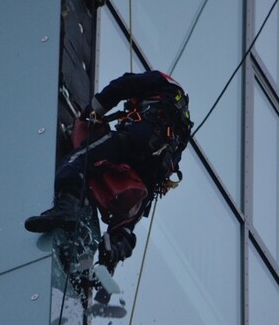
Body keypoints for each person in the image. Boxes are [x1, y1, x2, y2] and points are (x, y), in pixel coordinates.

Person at [25, 70, 192, 272]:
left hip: (137, 140)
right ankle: (114, 251)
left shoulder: (161, 81)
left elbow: (124, 85)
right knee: (129, 212)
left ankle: (67, 207)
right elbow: (174, 160)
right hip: (155, 169)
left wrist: (92, 110)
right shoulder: (182, 120)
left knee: (79, 159)